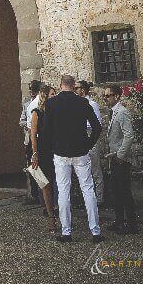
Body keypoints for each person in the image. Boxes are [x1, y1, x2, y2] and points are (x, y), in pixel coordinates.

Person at [45, 75, 103, 243]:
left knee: (63, 191)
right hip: (81, 151)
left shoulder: (51, 103)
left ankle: (66, 232)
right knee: (88, 189)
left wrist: (53, 147)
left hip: (61, 153)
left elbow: (47, 130)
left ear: (61, 85)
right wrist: (89, 144)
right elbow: (97, 127)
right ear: (73, 86)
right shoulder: (83, 103)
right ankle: (95, 231)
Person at [104, 84, 138, 234]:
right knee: (116, 190)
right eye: (105, 95)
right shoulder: (113, 112)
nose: (105, 98)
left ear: (116, 96)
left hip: (121, 159)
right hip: (115, 157)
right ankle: (119, 222)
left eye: (107, 95)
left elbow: (129, 135)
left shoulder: (122, 112)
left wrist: (120, 154)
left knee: (124, 191)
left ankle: (132, 225)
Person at [29, 84, 56, 232]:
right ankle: (50, 215)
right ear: (45, 95)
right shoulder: (36, 113)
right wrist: (35, 153)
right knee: (45, 184)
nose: (54, 96)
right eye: (52, 94)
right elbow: (33, 134)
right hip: (43, 151)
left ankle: (57, 210)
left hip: (55, 150)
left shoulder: (55, 112)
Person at [76, 80, 105, 205]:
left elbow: (97, 124)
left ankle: (99, 198)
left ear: (83, 90)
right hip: (80, 138)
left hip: (90, 136)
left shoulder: (92, 104)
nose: (75, 90)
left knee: (95, 169)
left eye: (76, 88)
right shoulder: (77, 104)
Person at [19, 80, 41, 204]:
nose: (31, 92)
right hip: (29, 139)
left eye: (33, 90)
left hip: (40, 139)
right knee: (32, 166)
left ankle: (43, 194)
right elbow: (21, 120)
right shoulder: (26, 104)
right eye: (30, 89)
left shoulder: (42, 102)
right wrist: (29, 125)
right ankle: (34, 194)